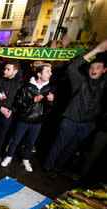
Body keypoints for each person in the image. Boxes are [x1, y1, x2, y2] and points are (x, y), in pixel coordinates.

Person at [44, 40, 107, 178]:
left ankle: (58, 167)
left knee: (71, 147)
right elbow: (72, 67)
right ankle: (48, 166)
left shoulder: (103, 84)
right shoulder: (80, 81)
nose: (94, 70)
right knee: (59, 144)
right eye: (92, 67)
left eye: (98, 68)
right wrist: (97, 49)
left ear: (104, 70)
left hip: (87, 123)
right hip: (71, 119)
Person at [1, 63, 56, 172]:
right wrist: (33, 100)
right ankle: (8, 157)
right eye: (48, 71)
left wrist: (51, 101)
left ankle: (26, 160)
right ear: (39, 74)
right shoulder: (27, 86)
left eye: (50, 71)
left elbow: (50, 106)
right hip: (24, 119)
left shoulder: (49, 87)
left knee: (31, 142)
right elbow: (18, 103)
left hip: (37, 121)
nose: (51, 73)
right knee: (15, 140)